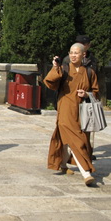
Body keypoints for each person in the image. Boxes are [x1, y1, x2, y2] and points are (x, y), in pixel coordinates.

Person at [44, 43, 99, 186]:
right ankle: (86, 173)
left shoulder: (89, 72)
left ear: (83, 55)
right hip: (66, 108)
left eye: (76, 53)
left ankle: (63, 164)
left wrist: (86, 94)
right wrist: (56, 67)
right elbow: (50, 82)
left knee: (68, 141)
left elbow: (96, 92)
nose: (73, 55)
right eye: (71, 53)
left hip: (81, 111)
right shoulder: (64, 69)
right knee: (77, 141)